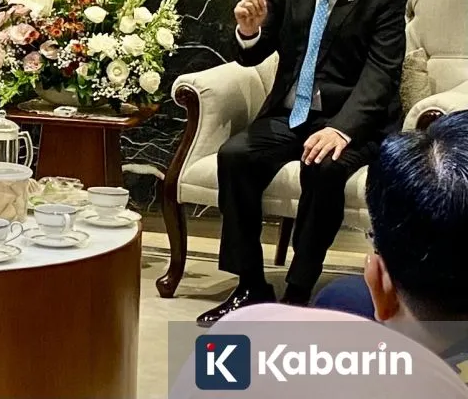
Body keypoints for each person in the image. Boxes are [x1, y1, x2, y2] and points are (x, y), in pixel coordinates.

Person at [198, 0, 408, 327]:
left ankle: (297, 290)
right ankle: (250, 286)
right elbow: (253, 57)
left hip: (354, 123)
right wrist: (249, 31)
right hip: (291, 116)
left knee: (323, 167)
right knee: (235, 156)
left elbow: (381, 75)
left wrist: (342, 129)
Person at [170, 113, 468, 397]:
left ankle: (299, 286)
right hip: (291, 124)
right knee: (341, 297)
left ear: (378, 281)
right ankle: (251, 283)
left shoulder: (238, 332)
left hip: (354, 130)